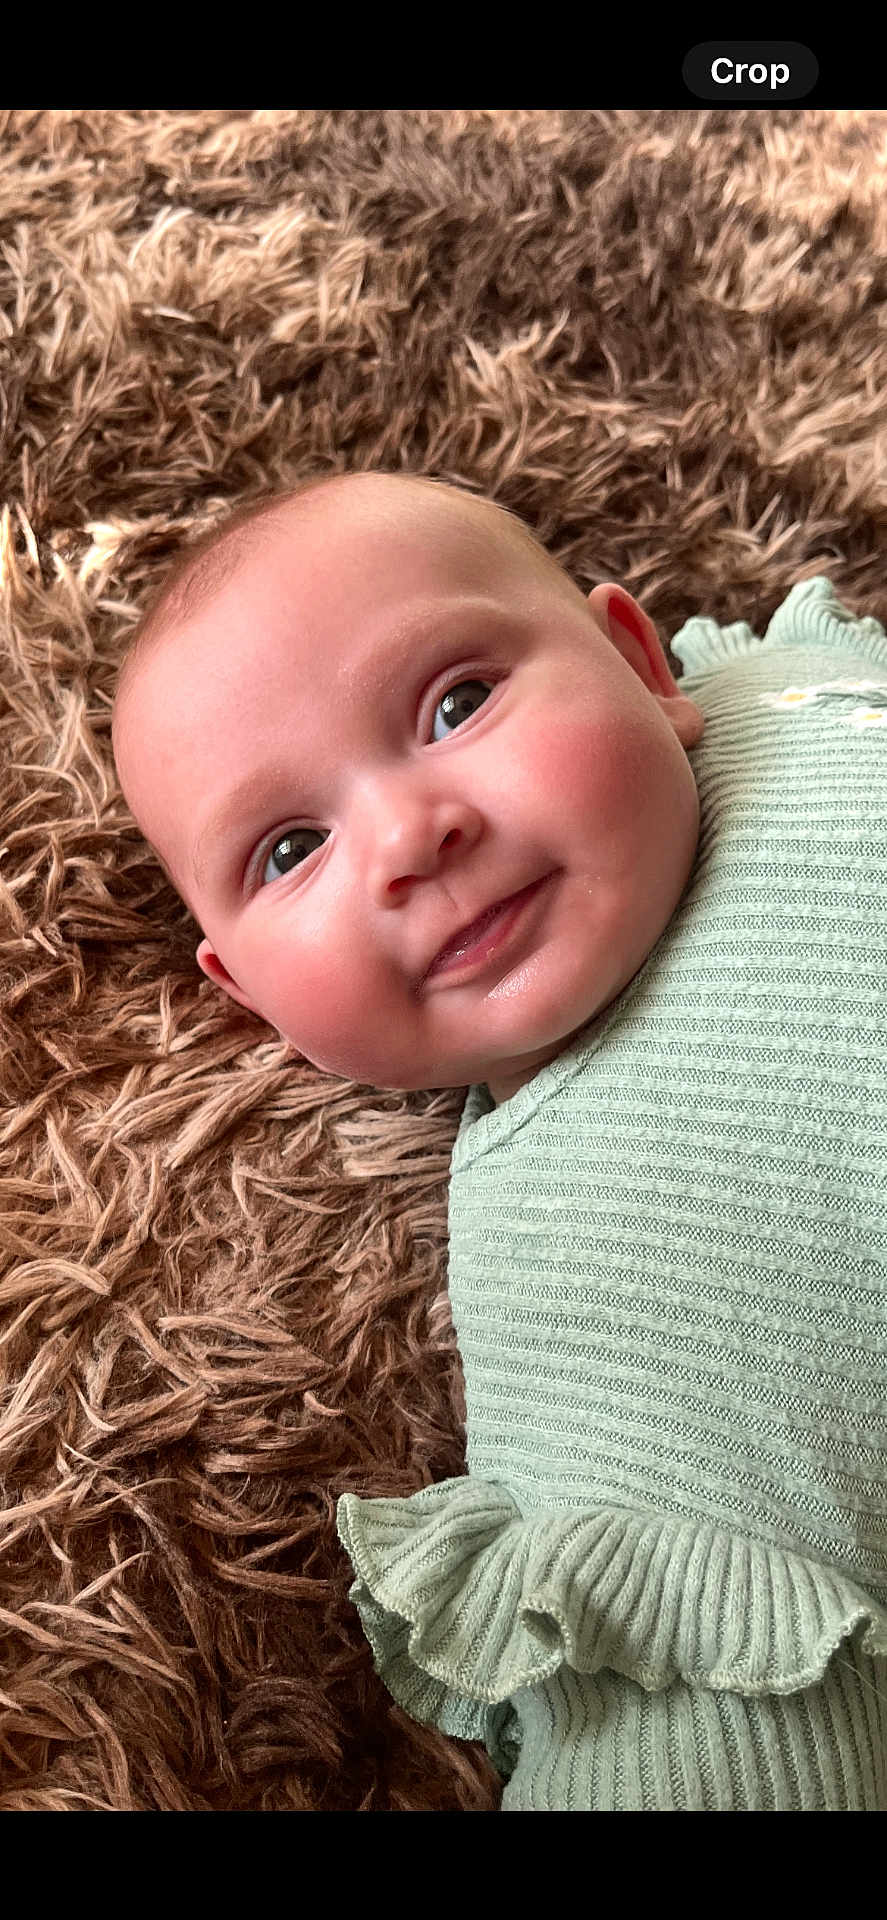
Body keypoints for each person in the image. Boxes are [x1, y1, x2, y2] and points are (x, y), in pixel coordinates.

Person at [112, 470, 887, 1809]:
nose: (410, 839)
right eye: (292, 849)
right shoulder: (587, 1298)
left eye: (457, 704)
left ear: (642, 663)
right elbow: (706, 1701)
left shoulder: (779, 691)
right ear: (254, 997)